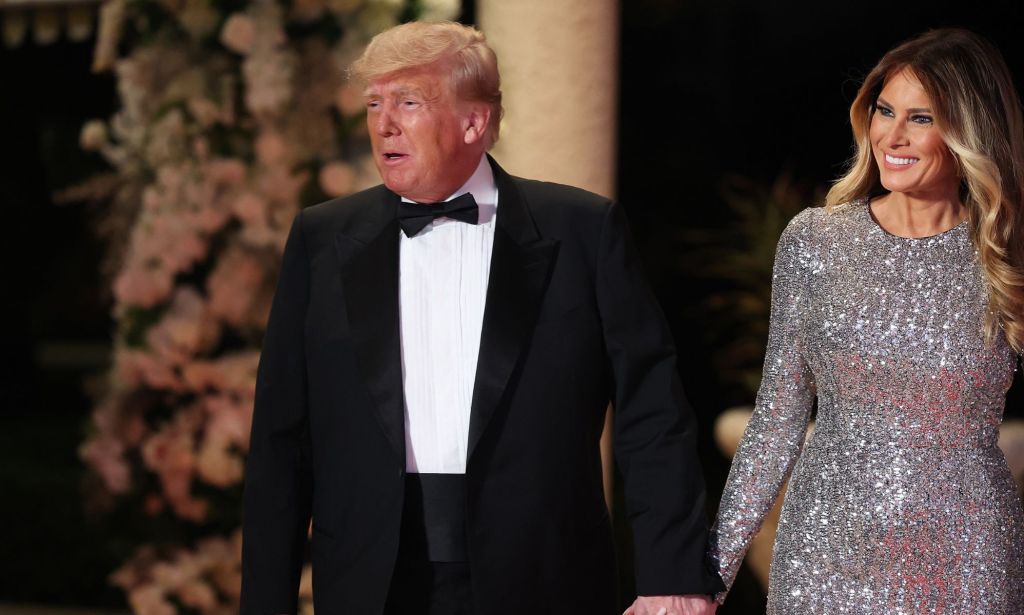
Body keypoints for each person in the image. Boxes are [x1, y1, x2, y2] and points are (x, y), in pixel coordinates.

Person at [240, 21, 722, 615]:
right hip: (369, 583)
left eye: (408, 102)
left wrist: (672, 574)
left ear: (473, 123)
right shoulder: (321, 238)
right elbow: (281, 442)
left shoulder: (581, 230)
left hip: (542, 577)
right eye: (374, 103)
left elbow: (653, 413)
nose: (382, 124)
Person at [709, 28, 1024, 613]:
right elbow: (777, 421)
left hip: (969, 559)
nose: (892, 136)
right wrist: (708, 577)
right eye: (884, 111)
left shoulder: (1005, 256)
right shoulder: (816, 242)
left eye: (921, 118)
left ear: (968, 134)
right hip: (826, 555)